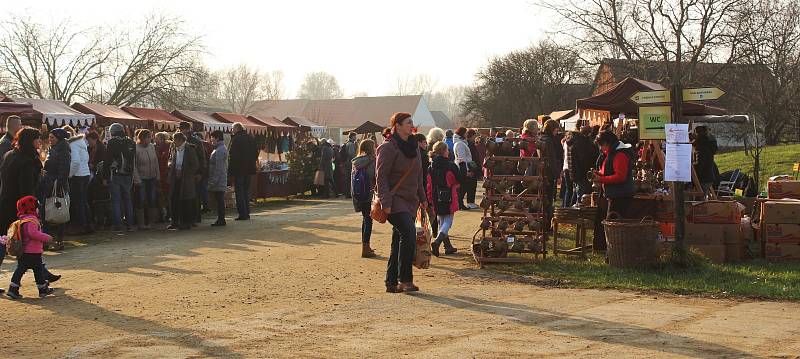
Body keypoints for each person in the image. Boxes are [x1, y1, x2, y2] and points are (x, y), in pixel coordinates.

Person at [0, 128, 60, 287]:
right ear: (29, 141)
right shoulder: (27, 160)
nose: (40, 141)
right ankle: (38, 276)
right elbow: (26, 189)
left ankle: (43, 274)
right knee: (22, 241)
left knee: (10, 241)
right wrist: (31, 210)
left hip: (6, 203)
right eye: (37, 138)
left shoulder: (10, 155)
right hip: (20, 207)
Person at [376, 112, 427, 293]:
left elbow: (419, 175)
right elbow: (381, 177)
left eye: (412, 122)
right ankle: (406, 280)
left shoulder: (414, 147)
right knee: (408, 233)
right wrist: (386, 201)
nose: (411, 125)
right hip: (395, 200)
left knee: (398, 239)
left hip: (411, 200)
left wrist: (423, 198)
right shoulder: (388, 148)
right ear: (397, 125)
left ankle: (391, 282)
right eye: (408, 122)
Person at [5, 195, 55, 299]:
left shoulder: (23, 220)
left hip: (24, 251)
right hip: (32, 252)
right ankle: (42, 289)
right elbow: (33, 234)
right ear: (32, 208)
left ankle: (13, 289)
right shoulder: (31, 221)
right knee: (38, 270)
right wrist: (47, 238)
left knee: (22, 270)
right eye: (37, 207)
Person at [426, 141, 460, 257]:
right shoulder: (450, 166)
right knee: (448, 222)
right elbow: (456, 181)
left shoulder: (431, 166)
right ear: (444, 151)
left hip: (436, 196)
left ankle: (447, 246)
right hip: (448, 195)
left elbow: (429, 185)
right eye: (447, 150)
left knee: (441, 220)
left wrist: (430, 199)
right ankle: (437, 242)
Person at [39, 128, 71, 249]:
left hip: (57, 185)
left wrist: (59, 185)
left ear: (59, 138)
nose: (50, 139)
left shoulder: (63, 150)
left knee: (59, 210)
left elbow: (64, 170)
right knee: (46, 211)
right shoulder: (52, 149)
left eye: (52, 137)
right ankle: (46, 240)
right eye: (50, 137)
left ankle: (59, 240)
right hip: (48, 184)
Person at [592, 131, 635, 217]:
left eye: (601, 145)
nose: (600, 148)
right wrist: (599, 174)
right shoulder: (611, 153)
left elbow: (620, 176)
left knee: (614, 224)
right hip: (614, 195)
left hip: (620, 196)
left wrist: (600, 179)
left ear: (608, 143)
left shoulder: (620, 154)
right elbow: (609, 171)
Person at [103, 123, 136, 233]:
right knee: (128, 200)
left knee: (116, 201)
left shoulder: (112, 143)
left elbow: (107, 161)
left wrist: (105, 176)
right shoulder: (131, 142)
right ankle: (130, 225)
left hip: (115, 174)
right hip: (128, 174)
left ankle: (118, 225)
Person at [167, 132, 200, 230]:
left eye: (175, 140)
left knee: (186, 200)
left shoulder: (190, 149)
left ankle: (186, 222)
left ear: (180, 140)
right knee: (174, 199)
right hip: (175, 178)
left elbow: (195, 165)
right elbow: (170, 159)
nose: (173, 142)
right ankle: (175, 221)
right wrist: (171, 166)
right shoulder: (174, 148)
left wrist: (184, 172)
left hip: (186, 179)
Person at [351, 139, 377, 258]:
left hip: (358, 193)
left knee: (365, 219)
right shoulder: (373, 161)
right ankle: (365, 248)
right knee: (368, 220)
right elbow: (374, 176)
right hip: (368, 193)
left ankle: (365, 246)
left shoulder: (356, 162)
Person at [537, 119, 564, 230]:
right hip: (548, 173)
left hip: (541, 172)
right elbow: (552, 159)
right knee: (548, 200)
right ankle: (546, 226)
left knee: (542, 199)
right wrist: (557, 175)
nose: (557, 131)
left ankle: (542, 224)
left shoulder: (540, 138)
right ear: (552, 129)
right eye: (556, 129)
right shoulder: (549, 141)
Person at [227, 123, 258, 220]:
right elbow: (256, 153)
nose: (232, 130)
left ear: (236, 129)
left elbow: (233, 156)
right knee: (246, 191)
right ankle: (247, 212)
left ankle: (242, 213)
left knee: (239, 192)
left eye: (232, 129)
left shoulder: (236, 139)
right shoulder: (250, 138)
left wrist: (231, 170)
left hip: (239, 169)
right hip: (249, 169)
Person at [65, 126, 92, 234]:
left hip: (78, 175)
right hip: (85, 174)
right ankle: (88, 224)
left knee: (78, 202)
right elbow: (85, 159)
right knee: (83, 201)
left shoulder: (72, 145)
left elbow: (75, 161)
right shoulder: (81, 143)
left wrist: (70, 174)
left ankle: (81, 226)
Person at [178, 122, 207, 223]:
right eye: (181, 129)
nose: (182, 130)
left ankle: (195, 217)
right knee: (184, 196)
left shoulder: (196, 142)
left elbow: (202, 158)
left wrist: (200, 173)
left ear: (188, 129)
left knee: (195, 196)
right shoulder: (177, 141)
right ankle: (185, 218)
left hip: (193, 173)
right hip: (181, 174)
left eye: (184, 129)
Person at [133, 129, 160, 230]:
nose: (150, 139)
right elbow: (134, 166)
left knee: (152, 199)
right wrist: (137, 179)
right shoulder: (136, 149)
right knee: (140, 200)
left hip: (152, 177)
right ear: (143, 138)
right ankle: (141, 223)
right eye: (148, 137)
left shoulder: (151, 147)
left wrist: (158, 175)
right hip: (141, 178)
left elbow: (155, 161)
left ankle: (151, 223)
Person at [568, 125, 599, 204]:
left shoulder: (576, 141)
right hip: (582, 173)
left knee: (577, 193)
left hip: (576, 173)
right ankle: (579, 213)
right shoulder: (582, 143)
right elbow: (584, 159)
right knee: (582, 196)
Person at [207, 130, 228, 227]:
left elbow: (218, 167)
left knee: (219, 200)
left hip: (218, 180)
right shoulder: (219, 148)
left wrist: (213, 181)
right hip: (219, 178)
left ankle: (221, 219)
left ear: (217, 138)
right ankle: (220, 218)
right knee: (219, 199)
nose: (211, 140)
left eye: (212, 138)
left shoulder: (220, 150)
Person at [693, 126, 719, 200]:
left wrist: (693, 169)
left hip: (703, 177)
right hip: (708, 176)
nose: (693, 135)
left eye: (695, 133)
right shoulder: (707, 144)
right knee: (702, 196)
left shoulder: (702, 147)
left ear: (698, 134)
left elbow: (701, 163)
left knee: (700, 199)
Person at [453, 127, 474, 210]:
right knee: (463, 187)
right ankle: (459, 203)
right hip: (462, 168)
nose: (467, 134)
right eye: (465, 133)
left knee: (463, 187)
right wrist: (466, 171)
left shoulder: (461, 143)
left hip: (464, 167)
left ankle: (460, 203)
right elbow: (462, 158)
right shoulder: (460, 144)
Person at [154, 132, 172, 222]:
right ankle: (161, 214)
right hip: (158, 174)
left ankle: (168, 213)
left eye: (157, 138)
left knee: (166, 195)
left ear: (162, 139)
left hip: (165, 174)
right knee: (160, 195)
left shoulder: (168, 147)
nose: (155, 140)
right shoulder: (155, 148)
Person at [466, 129, 481, 207]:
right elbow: (472, 157)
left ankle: (471, 202)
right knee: (471, 186)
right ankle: (470, 202)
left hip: (473, 167)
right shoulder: (470, 144)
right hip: (472, 167)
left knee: (472, 185)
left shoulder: (470, 143)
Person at [342, 133, 358, 198]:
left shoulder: (347, 143)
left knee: (347, 178)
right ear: (352, 137)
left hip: (346, 163)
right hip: (349, 163)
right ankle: (348, 193)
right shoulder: (351, 144)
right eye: (355, 136)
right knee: (349, 178)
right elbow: (352, 154)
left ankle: (346, 193)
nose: (355, 138)